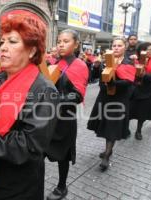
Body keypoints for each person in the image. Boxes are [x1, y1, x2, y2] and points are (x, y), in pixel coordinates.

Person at [0, 13, 59, 200]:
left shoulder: (44, 90)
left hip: (17, 184)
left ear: (31, 51)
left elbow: (32, 144)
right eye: (2, 41)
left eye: (12, 42)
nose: (3, 48)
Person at [46, 29, 89, 200]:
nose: (61, 44)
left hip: (64, 119)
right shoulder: (55, 63)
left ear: (76, 44)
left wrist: (52, 99)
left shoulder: (79, 65)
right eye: (59, 41)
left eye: (66, 41)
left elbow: (77, 96)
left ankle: (62, 186)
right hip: (47, 117)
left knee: (62, 155)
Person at [87, 37, 136, 171]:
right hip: (105, 97)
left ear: (124, 47)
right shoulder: (106, 60)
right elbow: (99, 78)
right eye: (114, 45)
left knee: (112, 127)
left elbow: (129, 82)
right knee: (106, 125)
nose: (116, 48)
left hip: (119, 99)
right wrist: (96, 68)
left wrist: (114, 83)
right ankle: (108, 150)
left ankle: (107, 155)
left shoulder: (129, 63)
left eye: (119, 45)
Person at [130, 42, 151, 139]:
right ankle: (125, 128)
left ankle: (138, 130)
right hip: (132, 90)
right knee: (128, 110)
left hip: (147, 91)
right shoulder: (134, 60)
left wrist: (144, 75)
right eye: (149, 49)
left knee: (142, 113)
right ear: (142, 51)